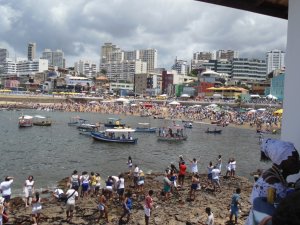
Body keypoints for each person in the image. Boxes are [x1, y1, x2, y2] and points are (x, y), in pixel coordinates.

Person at [245, 138, 300, 225]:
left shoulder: (271, 174)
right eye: (294, 160)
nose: (298, 162)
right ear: (281, 162)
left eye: (298, 158)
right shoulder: (274, 184)